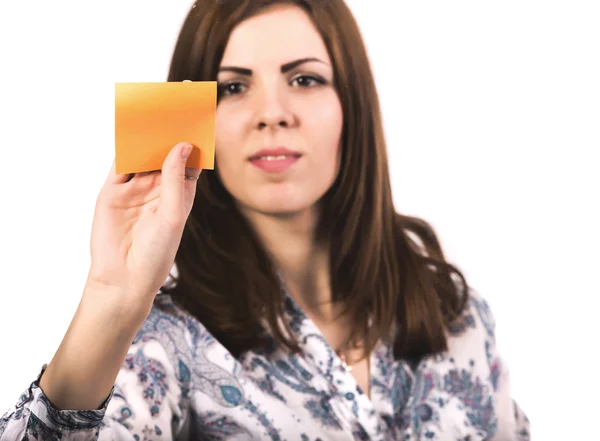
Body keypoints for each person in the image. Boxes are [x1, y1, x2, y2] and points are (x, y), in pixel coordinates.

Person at [0, 0, 530, 440]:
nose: (272, 111)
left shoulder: (459, 318)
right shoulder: (163, 346)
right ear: (196, 119)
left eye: (304, 78)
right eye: (233, 87)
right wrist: (111, 297)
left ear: (353, 106)